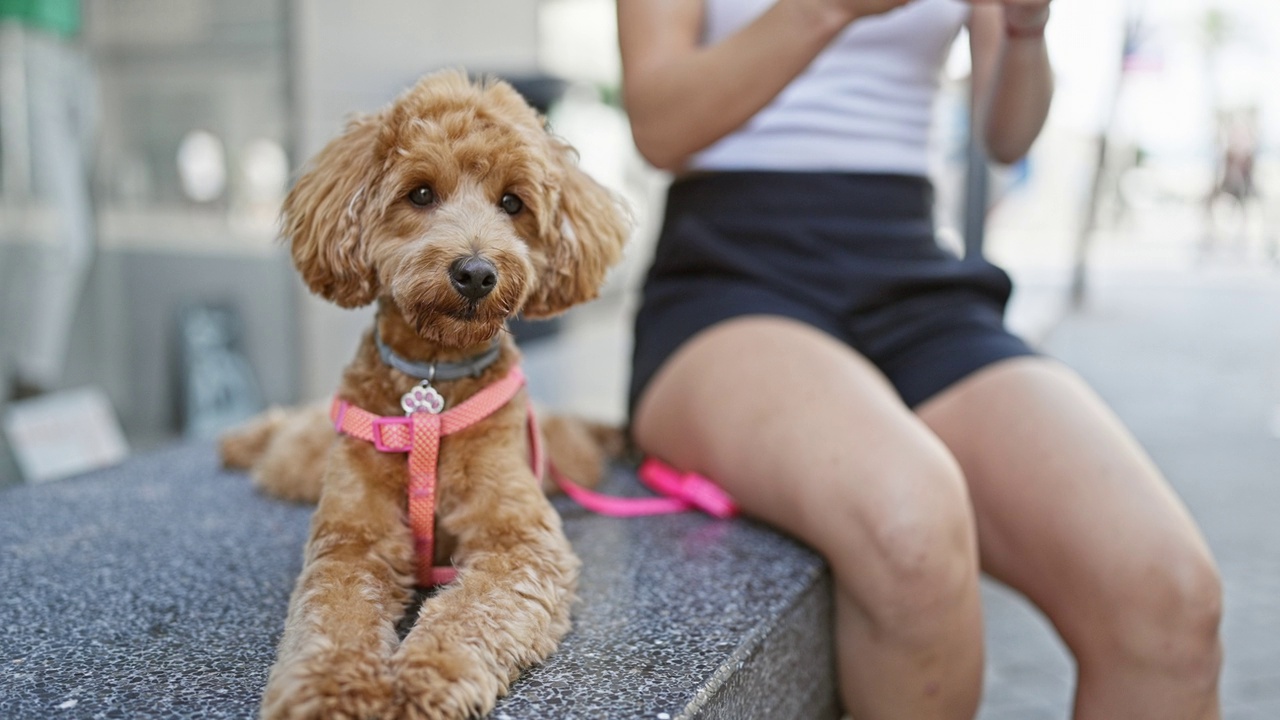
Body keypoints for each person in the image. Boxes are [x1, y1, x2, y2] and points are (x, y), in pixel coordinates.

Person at [618, 1, 1224, 718]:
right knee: (910, 529)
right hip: (730, 274)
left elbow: (1007, 136)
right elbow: (659, 127)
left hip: (909, 271)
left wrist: (1027, 29)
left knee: (1167, 595)